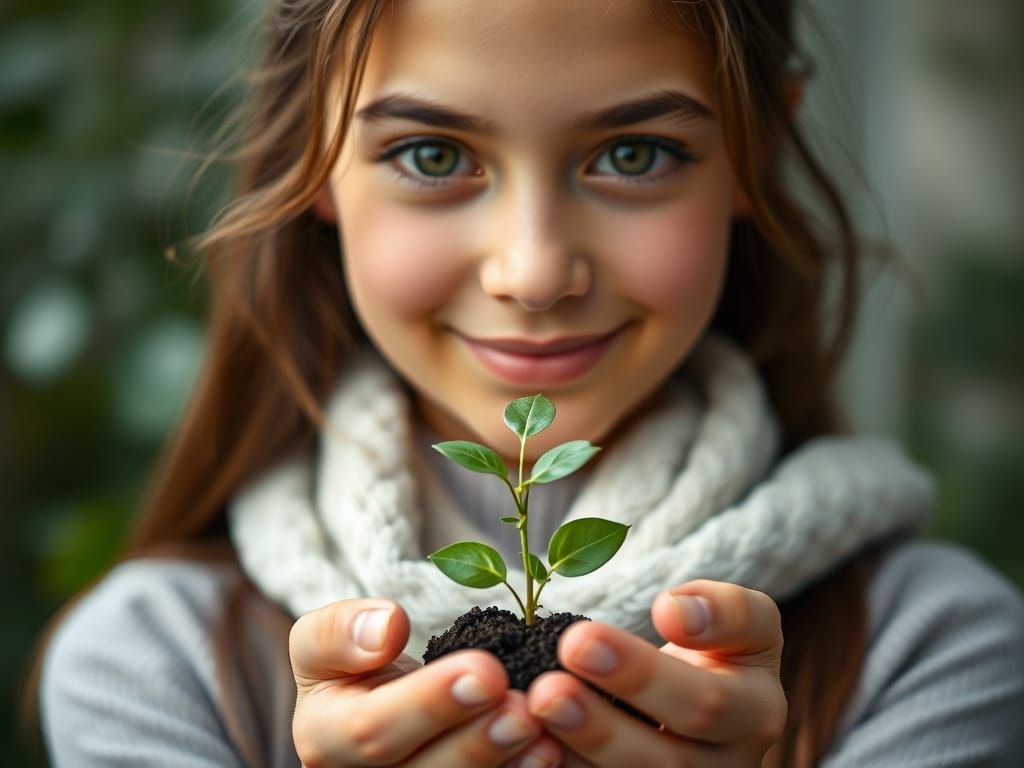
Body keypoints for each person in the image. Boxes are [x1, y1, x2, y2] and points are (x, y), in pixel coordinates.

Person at [38, 0, 1024, 766]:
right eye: (432, 155)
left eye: (634, 154)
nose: (535, 271)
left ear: (752, 154)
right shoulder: (154, 664)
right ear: (317, 162)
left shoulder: (932, 650)